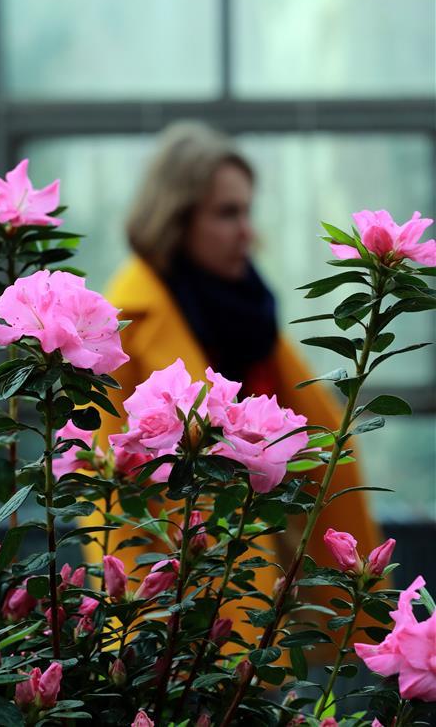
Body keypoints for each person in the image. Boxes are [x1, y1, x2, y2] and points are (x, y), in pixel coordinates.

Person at [90, 121, 384, 644]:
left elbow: (323, 444)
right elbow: (110, 493)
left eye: (247, 211)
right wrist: (132, 632)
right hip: (171, 622)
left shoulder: (249, 313)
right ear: (176, 217)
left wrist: (355, 612)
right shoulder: (122, 325)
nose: (247, 231)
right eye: (227, 213)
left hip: (252, 601)